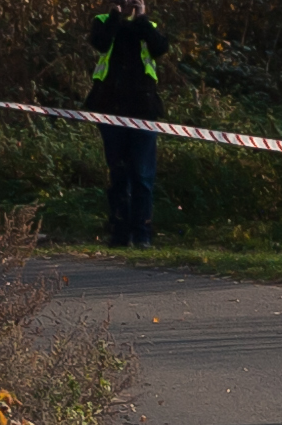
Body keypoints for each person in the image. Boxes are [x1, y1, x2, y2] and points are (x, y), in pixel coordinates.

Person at [84, 1, 169, 248]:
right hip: (110, 109)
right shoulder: (103, 21)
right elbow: (100, 43)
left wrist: (140, 19)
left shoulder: (147, 25)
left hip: (143, 110)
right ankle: (120, 235)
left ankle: (143, 235)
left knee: (142, 175)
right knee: (118, 173)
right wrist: (115, 15)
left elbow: (160, 48)